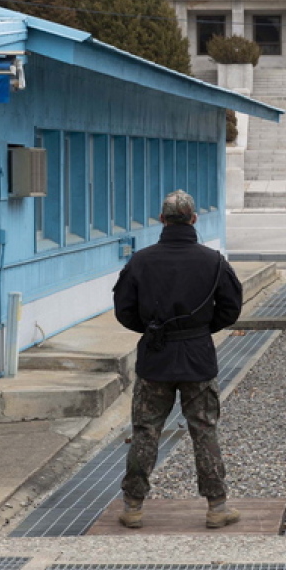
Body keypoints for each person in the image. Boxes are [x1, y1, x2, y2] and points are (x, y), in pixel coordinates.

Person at [113, 190, 244, 529]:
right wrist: (201, 329)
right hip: (198, 357)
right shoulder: (213, 261)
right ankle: (217, 507)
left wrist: (152, 329)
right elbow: (230, 309)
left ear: (162, 220)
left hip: (155, 358)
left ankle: (133, 506)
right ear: (193, 219)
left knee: (145, 430)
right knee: (204, 429)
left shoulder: (140, 260)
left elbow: (124, 311)